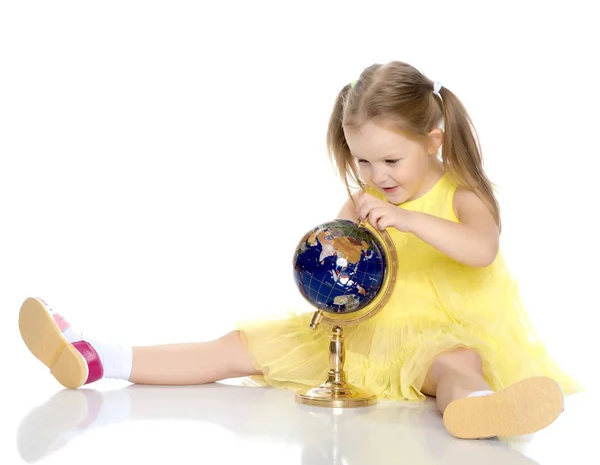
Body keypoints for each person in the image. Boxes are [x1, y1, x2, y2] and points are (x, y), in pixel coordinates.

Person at [18, 60, 581, 440]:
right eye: (363, 160)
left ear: (432, 140)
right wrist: (329, 273)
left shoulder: (461, 191)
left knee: (456, 364)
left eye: (390, 161)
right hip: (359, 329)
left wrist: (410, 219)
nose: (376, 175)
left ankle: (477, 407)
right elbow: (337, 252)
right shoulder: (364, 198)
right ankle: (98, 357)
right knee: (235, 348)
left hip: (448, 331)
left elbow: (481, 249)